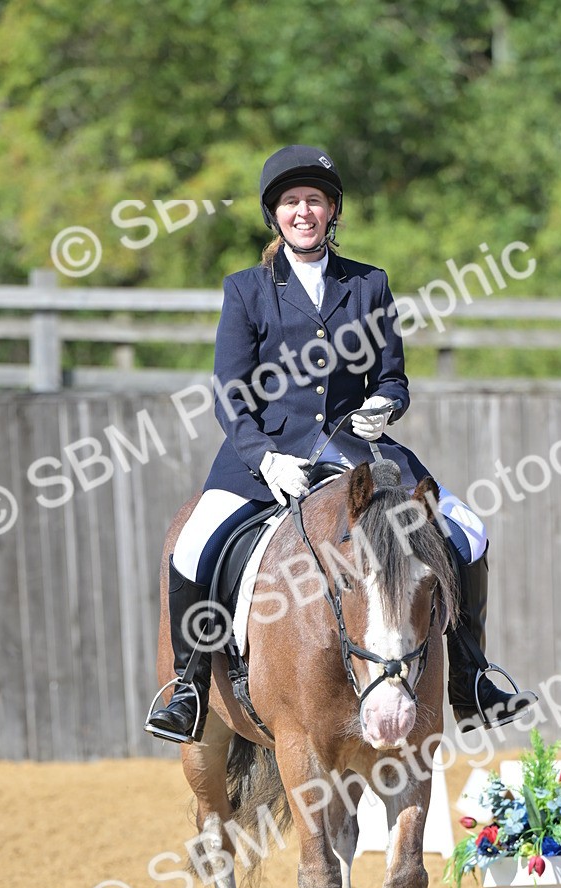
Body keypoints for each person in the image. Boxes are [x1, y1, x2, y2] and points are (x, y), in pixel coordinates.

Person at [145, 144, 537, 744]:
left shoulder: (368, 284)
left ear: (333, 211)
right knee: (194, 546)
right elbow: (229, 392)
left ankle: (472, 679)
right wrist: (264, 457)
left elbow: (392, 377)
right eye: (292, 202)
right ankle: (191, 686)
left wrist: (386, 406)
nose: (304, 211)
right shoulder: (247, 290)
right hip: (264, 454)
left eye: (315, 201)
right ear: (275, 214)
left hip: (356, 451)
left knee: (468, 530)